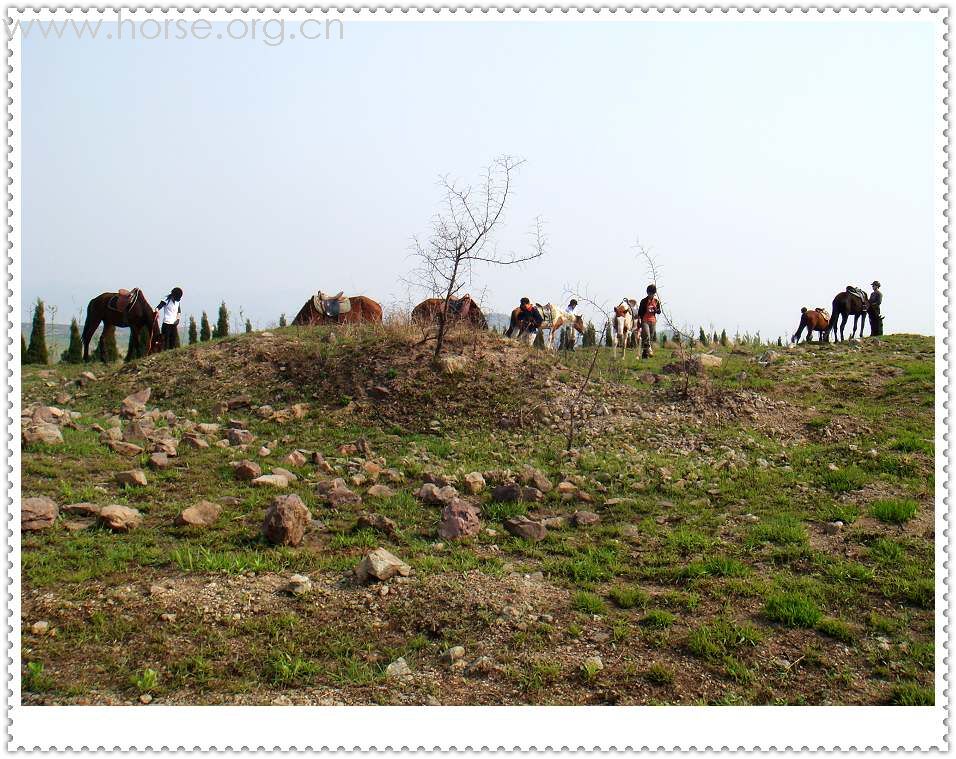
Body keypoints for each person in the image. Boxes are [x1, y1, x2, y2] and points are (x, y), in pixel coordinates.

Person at [637, 284, 662, 359]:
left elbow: (659, 311)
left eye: (653, 294)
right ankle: (650, 350)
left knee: (649, 338)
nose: (651, 295)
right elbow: (640, 312)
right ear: (647, 293)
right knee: (647, 336)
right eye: (650, 293)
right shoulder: (643, 301)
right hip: (645, 320)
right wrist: (639, 321)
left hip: (653, 321)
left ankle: (645, 354)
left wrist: (656, 310)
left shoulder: (656, 301)